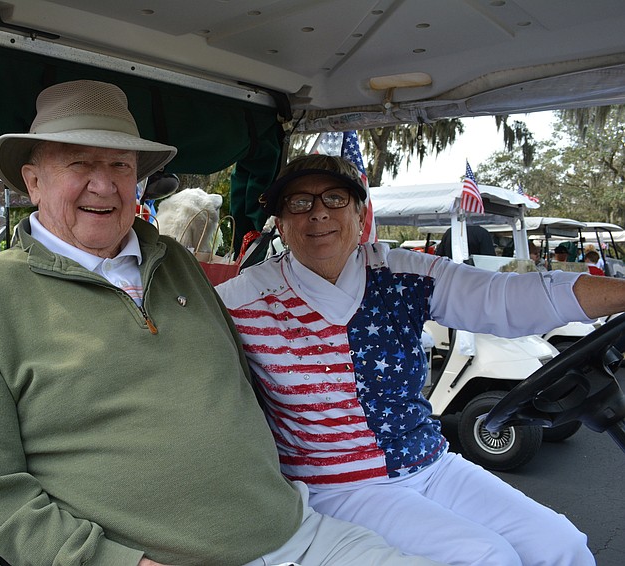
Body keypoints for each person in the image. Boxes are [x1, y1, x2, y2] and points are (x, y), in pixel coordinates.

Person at [0, 81, 442, 566]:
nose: (103, 184)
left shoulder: (173, 260)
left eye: (120, 165)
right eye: (79, 163)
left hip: (293, 530)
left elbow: (244, 386)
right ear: (34, 181)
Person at [215, 153, 625, 566]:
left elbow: (505, 298)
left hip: (432, 462)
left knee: (562, 545)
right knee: (488, 558)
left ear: (360, 214)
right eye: (300, 203)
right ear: (282, 225)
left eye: (336, 199)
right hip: (337, 485)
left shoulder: (401, 273)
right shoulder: (240, 300)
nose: (319, 213)